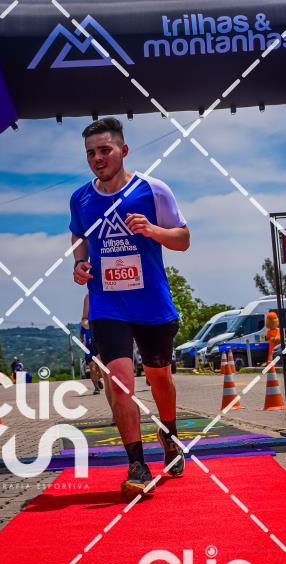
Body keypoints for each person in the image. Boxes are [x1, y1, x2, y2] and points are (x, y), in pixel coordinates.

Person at [70, 117, 190, 497]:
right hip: (108, 305)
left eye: (104, 150)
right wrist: (79, 262)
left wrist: (152, 230)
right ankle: (136, 463)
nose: (97, 158)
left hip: (152, 304)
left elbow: (183, 239)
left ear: (123, 150)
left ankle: (169, 433)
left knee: (159, 378)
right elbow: (78, 235)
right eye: (91, 153)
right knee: (119, 381)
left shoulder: (153, 190)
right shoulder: (80, 198)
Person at [80, 294, 103, 395]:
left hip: (99, 346)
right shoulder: (84, 325)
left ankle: (98, 379)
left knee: (100, 369)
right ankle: (96, 388)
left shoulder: (100, 322)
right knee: (92, 368)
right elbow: (82, 337)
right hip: (89, 349)